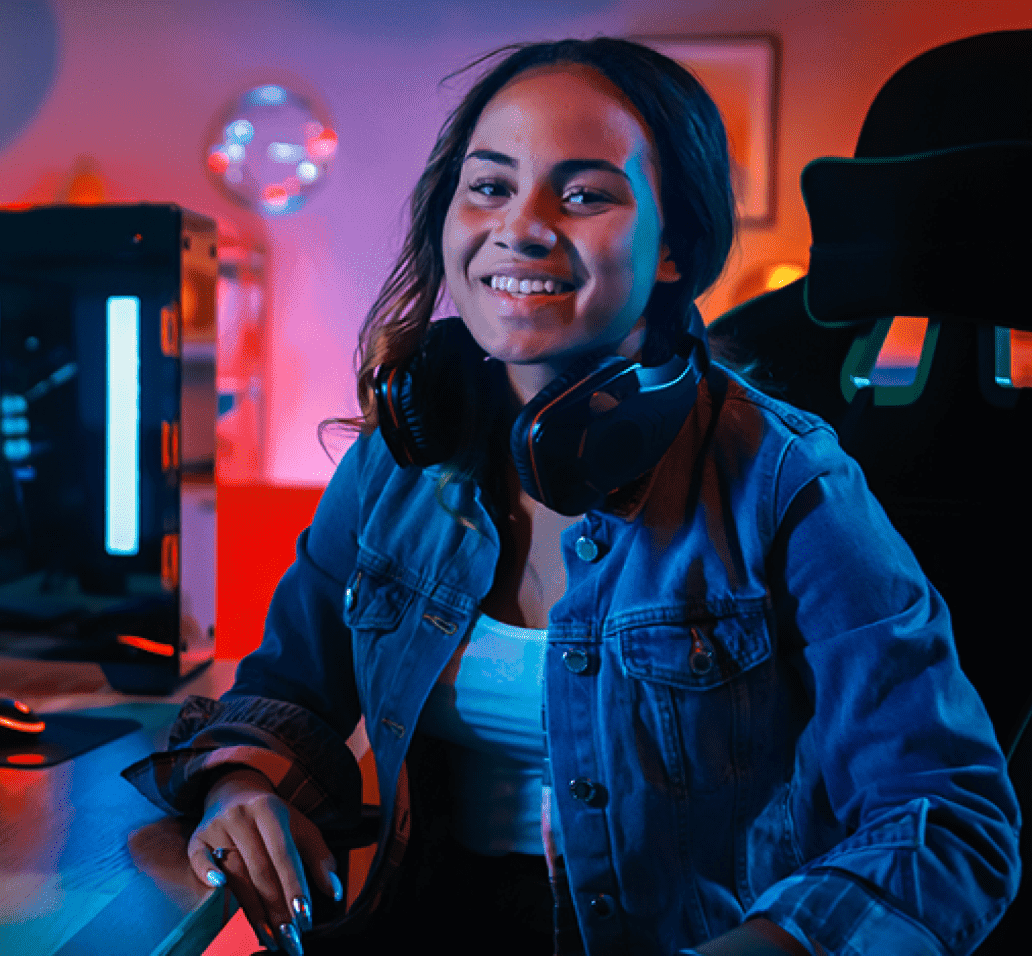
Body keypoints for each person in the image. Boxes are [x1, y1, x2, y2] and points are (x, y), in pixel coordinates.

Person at [121, 37, 1019, 956]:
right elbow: (283, 693)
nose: (522, 226)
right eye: (490, 186)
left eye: (584, 194)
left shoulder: (788, 483)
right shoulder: (398, 461)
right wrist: (242, 789)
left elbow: (948, 823)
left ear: (675, 247)